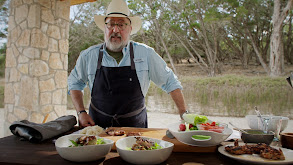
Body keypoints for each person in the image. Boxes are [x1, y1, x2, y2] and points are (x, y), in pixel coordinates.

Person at [68, 0, 188, 128]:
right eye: (111, 24)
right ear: (105, 28)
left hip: (135, 129)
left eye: (121, 25)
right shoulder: (88, 55)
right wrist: (81, 112)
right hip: (97, 128)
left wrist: (184, 114)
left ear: (130, 29)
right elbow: (75, 83)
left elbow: (170, 82)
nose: (115, 30)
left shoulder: (145, 53)